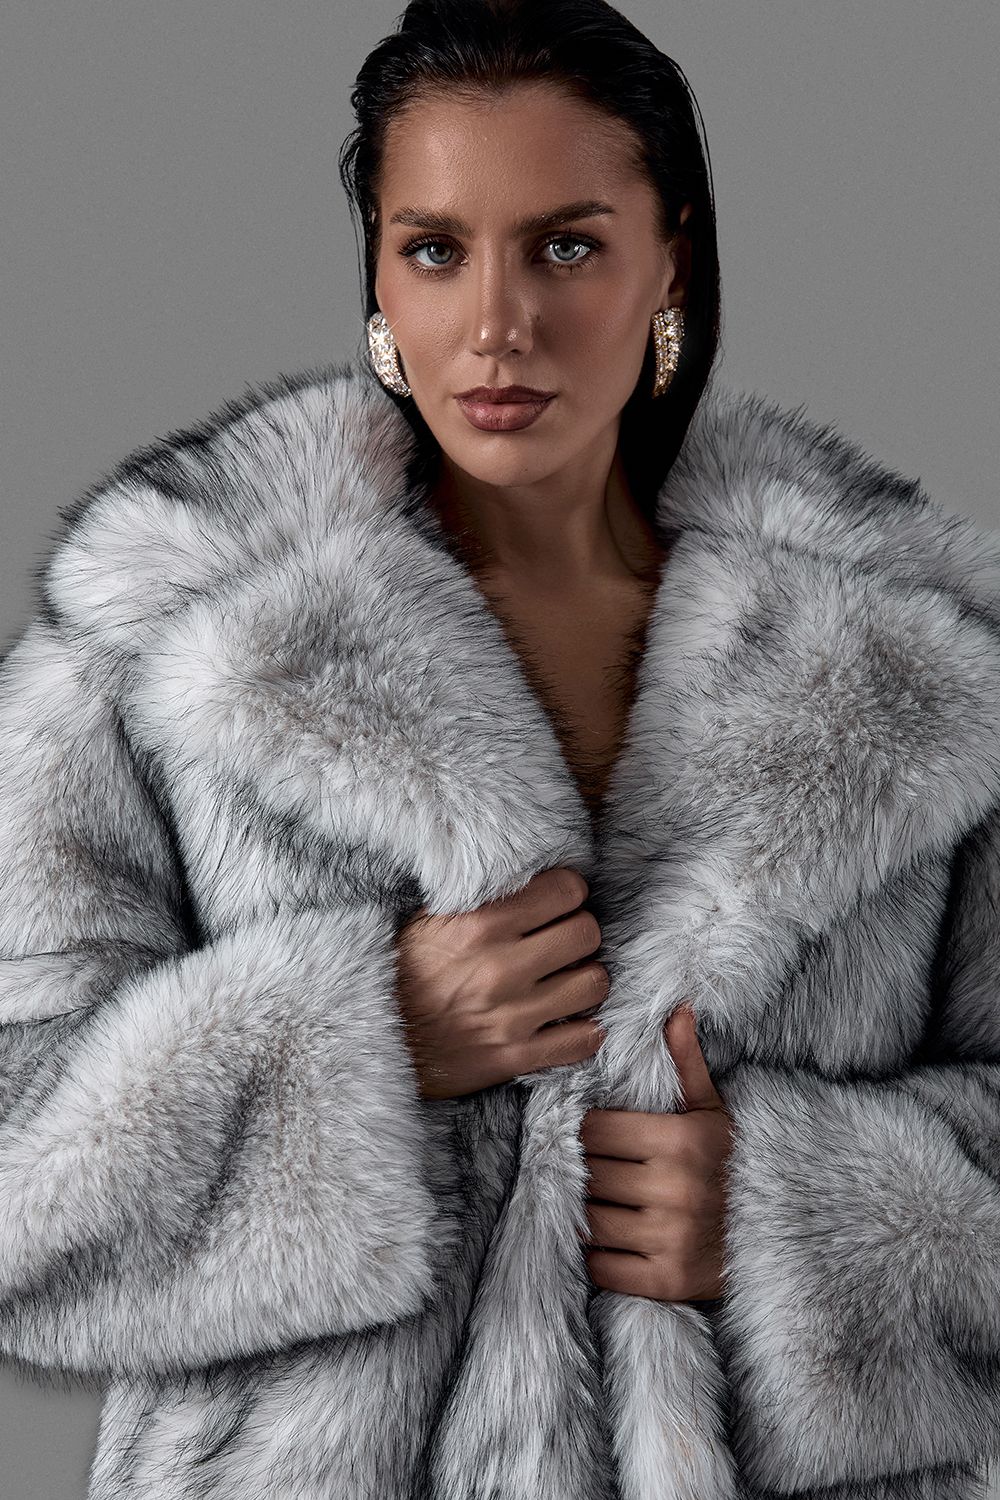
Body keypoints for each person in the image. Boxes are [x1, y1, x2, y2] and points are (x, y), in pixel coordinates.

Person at [1, 1, 998, 1497]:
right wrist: (360, 1043)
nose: (496, 324)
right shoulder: (164, 634)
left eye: (567, 247)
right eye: (435, 250)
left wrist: (800, 1220)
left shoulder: (915, 663)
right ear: (376, 277)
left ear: (670, 262)